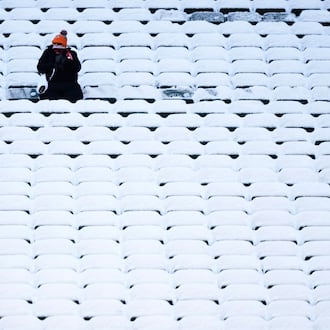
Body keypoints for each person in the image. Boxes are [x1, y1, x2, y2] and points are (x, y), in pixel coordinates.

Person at [37, 30, 83, 102]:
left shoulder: (71, 54)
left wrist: (68, 62)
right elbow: (40, 67)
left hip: (70, 84)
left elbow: (77, 68)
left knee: (75, 97)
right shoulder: (48, 53)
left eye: (59, 49)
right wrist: (53, 65)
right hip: (52, 84)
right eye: (55, 49)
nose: (57, 51)